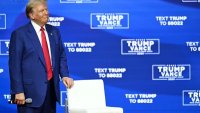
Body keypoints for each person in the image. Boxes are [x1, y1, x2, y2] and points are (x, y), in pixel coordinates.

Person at [9, 0, 74, 113]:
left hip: (51, 92)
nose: (46, 13)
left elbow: (61, 55)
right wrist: (18, 91)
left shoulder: (54, 31)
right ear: (32, 15)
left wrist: (64, 75)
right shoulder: (20, 34)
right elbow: (15, 65)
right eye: (41, 11)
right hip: (29, 94)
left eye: (46, 10)